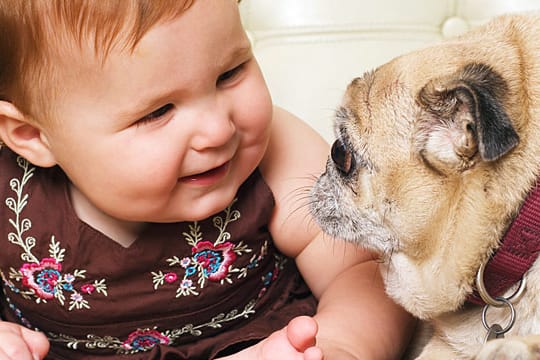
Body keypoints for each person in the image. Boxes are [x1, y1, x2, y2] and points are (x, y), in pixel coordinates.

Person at [0, 0, 414, 359]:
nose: (219, 129)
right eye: (158, 111)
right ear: (32, 136)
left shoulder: (276, 151)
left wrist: (343, 346)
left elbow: (360, 273)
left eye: (230, 73)